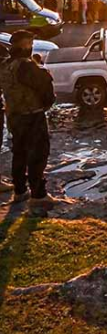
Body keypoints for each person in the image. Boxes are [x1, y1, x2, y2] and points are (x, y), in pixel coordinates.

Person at [0, 30, 55, 210]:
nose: (31, 47)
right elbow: (45, 89)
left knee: (19, 153)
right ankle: (38, 195)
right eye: (30, 43)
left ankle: (20, 190)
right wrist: (45, 104)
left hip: (14, 116)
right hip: (32, 115)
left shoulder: (6, 65)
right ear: (24, 45)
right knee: (37, 155)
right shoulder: (27, 66)